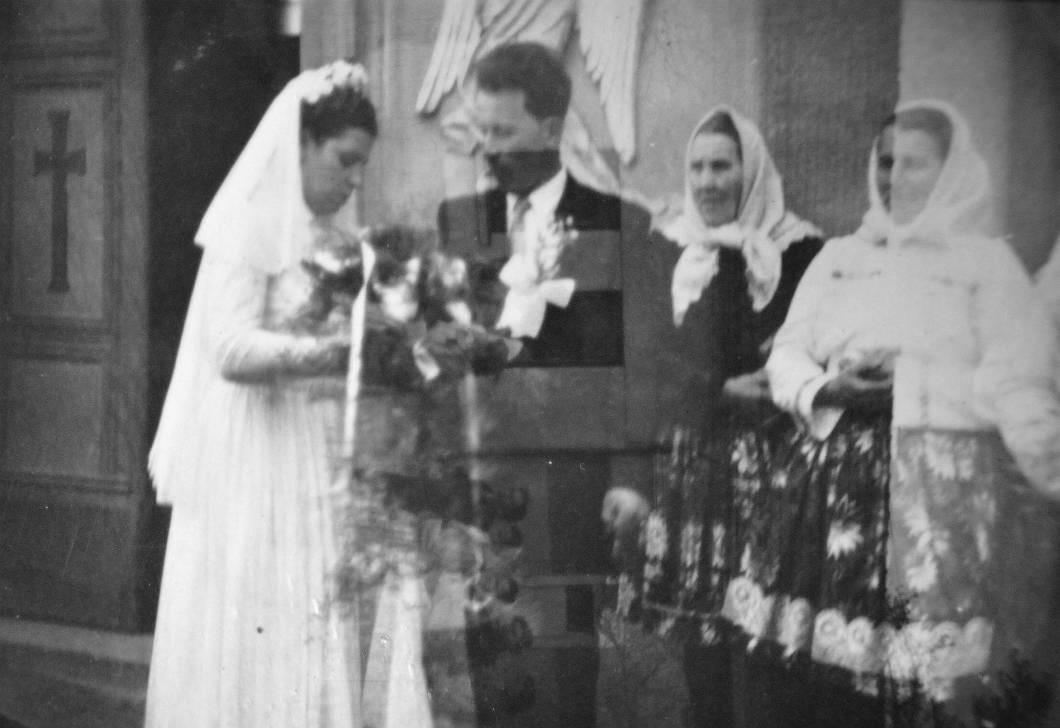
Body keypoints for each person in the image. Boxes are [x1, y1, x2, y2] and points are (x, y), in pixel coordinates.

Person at [760, 100, 1060, 726]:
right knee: (845, 670)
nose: (895, 177)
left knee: (934, 676)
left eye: (915, 164)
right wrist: (828, 389)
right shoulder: (840, 257)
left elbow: (1018, 379)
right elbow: (788, 350)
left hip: (945, 489)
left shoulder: (986, 264)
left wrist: (915, 381)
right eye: (886, 162)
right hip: (845, 482)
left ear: (952, 171)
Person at [436, 41, 664, 727]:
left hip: (571, 485)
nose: (487, 150)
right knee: (491, 672)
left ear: (551, 128)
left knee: (562, 671)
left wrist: (631, 478)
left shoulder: (619, 223)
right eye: (480, 131)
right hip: (484, 481)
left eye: (502, 133)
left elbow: (640, 361)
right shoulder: (460, 222)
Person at [146, 61, 376, 727]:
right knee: (254, 621)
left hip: (310, 448)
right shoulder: (247, 225)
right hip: (253, 452)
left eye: (362, 165)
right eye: (344, 160)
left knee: (308, 615)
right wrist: (336, 350)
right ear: (302, 144)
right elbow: (229, 348)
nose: (355, 180)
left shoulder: (338, 241)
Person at [602, 106, 824, 727]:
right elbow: (644, 357)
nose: (706, 182)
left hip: (776, 469)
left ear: (750, 172)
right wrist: (718, 388)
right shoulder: (665, 249)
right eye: (696, 168)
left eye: (722, 166)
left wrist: (745, 373)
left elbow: (797, 349)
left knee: (770, 643)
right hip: (693, 470)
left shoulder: (798, 252)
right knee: (701, 647)